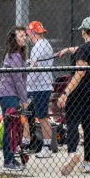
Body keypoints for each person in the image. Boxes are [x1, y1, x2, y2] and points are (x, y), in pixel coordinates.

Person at [56, 17, 90, 175]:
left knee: (72, 123)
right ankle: (87, 163)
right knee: (89, 126)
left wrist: (65, 93)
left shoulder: (83, 50)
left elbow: (79, 74)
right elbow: (84, 49)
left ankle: (73, 153)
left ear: (84, 32)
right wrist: (68, 50)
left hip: (79, 92)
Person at [0, 26, 29, 171]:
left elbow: (20, 74)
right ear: (14, 39)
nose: (24, 38)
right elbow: (18, 80)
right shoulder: (14, 55)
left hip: (10, 94)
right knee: (10, 127)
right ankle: (8, 160)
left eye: (24, 36)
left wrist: (28, 65)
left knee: (12, 126)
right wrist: (24, 99)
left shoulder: (17, 55)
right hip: (8, 94)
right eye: (21, 36)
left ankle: (10, 158)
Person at [25, 21, 55, 158]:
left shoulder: (38, 47)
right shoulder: (46, 44)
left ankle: (47, 147)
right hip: (43, 85)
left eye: (28, 34)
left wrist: (28, 85)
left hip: (39, 87)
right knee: (33, 116)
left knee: (42, 117)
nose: (28, 37)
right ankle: (28, 143)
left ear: (31, 32)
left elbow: (34, 69)